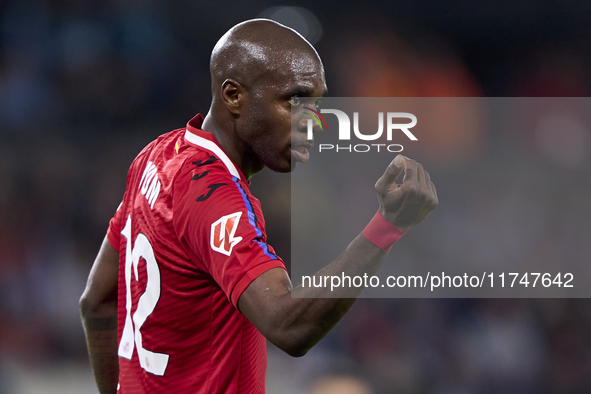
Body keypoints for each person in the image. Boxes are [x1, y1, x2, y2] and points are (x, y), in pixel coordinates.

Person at [79, 19, 438, 394]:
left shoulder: (156, 156)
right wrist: (388, 226)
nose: (313, 123)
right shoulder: (216, 198)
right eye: (295, 100)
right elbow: (288, 326)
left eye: (317, 103)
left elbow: (97, 302)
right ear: (233, 96)